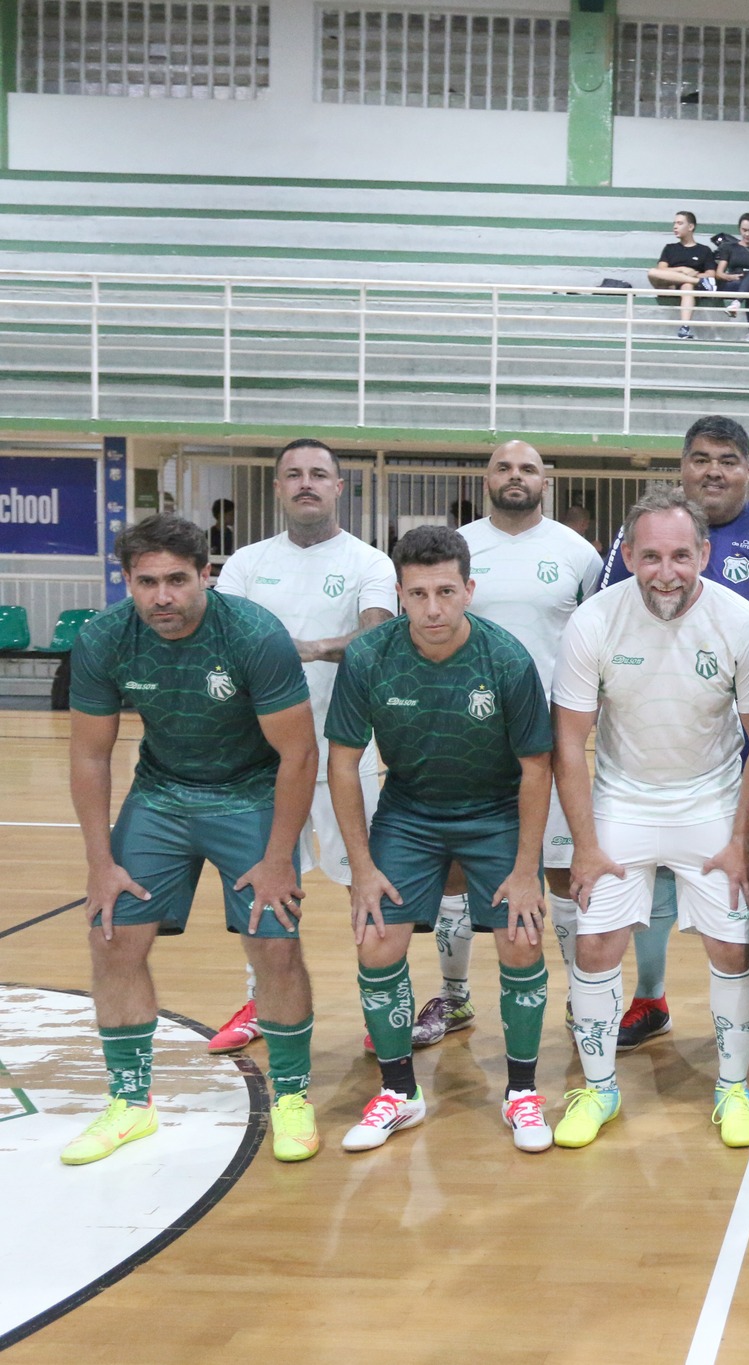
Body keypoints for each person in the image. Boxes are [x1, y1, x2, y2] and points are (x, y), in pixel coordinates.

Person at [63, 515, 321, 1166]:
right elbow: (90, 756)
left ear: (206, 574)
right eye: (146, 582)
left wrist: (278, 859)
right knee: (111, 935)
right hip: (161, 794)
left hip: (250, 792)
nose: (163, 597)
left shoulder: (254, 635)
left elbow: (298, 754)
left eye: (177, 579)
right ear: (126, 581)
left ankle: (292, 1097)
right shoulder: (103, 638)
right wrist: (99, 863)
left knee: (275, 942)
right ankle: (131, 1103)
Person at [550, 485, 749, 1150]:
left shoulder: (741, 623)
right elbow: (568, 742)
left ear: (704, 553)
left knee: (731, 947)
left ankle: (732, 1088)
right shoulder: (594, 620)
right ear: (627, 555)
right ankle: (599, 1089)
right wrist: (585, 845)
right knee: (595, 943)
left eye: (681, 555)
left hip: (713, 801)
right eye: (650, 556)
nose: (666, 571)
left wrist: (742, 839)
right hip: (622, 800)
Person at [326, 527, 556, 1154]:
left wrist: (526, 871)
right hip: (410, 813)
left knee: (521, 937)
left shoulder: (506, 659)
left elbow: (537, 767)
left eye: (446, 592)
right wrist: (362, 867)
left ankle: (522, 1092)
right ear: (399, 595)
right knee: (376, 939)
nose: (433, 608)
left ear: (469, 590)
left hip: (495, 812)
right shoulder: (368, 657)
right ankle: (399, 1093)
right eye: (418, 594)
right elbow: (342, 762)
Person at [599, 415, 749, 1055]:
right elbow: (609, 619)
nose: (714, 471)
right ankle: (650, 997)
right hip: (653, 746)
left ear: (748, 470)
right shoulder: (639, 536)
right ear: (682, 467)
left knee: (738, 879)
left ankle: (746, 1009)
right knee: (651, 886)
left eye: (727, 460)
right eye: (701, 459)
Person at [205, 438, 397, 1056]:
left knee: (366, 885)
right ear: (279, 488)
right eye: (294, 474)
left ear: (339, 487)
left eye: (318, 474)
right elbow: (226, 641)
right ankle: (262, 1002)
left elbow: (374, 638)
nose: (306, 483)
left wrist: (304, 648)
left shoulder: (370, 562)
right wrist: (289, 650)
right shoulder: (246, 563)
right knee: (264, 885)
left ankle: (381, 1011)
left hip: (346, 756)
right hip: (263, 760)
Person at [456, 440, 604, 1008]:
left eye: (527, 468)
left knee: (564, 871)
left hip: (553, 741)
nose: (515, 476)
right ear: (486, 478)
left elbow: (600, 636)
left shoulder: (578, 554)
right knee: (456, 873)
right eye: (503, 467)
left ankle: (579, 997)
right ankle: (453, 993)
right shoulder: (459, 547)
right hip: (469, 738)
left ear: (545, 481)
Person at [648, 210, 717, 340]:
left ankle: (685, 327)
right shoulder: (670, 248)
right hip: (668, 286)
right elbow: (661, 269)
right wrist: (682, 270)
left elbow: (711, 274)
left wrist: (694, 276)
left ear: (690, 227)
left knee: (687, 285)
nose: (675, 227)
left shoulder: (704, 250)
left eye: (679, 223)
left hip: (687, 288)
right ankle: (698, 283)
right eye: (674, 223)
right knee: (652, 272)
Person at [711, 213, 749, 339]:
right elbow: (719, 273)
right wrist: (730, 277)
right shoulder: (729, 247)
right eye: (744, 230)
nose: (747, 234)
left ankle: (737, 303)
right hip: (734, 283)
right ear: (739, 229)